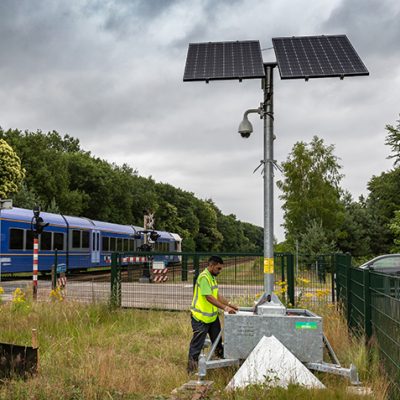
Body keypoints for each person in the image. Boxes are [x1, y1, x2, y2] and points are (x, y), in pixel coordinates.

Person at [187, 255, 238, 373]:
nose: (219, 271)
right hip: (200, 318)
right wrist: (225, 308)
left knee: (217, 342)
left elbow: (217, 295)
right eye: (218, 269)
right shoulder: (204, 277)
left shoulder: (212, 277)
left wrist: (230, 304)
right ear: (211, 265)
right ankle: (191, 370)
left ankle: (222, 367)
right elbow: (209, 297)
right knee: (197, 345)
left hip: (212, 318)